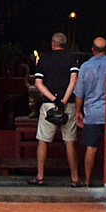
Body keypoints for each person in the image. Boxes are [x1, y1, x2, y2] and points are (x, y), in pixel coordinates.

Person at [31, 32, 80, 186]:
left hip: (48, 104)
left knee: (43, 140)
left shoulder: (44, 59)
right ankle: (75, 178)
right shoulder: (72, 59)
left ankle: (40, 176)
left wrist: (54, 99)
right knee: (70, 141)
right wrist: (64, 100)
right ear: (66, 44)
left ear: (53, 44)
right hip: (68, 104)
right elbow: (74, 80)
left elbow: (38, 83)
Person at [74, 36, 106, 186]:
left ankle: (88, 180)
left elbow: (79, 93)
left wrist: (78, 112)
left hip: (92, 112)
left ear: (92, 50)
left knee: (91, 147)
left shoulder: (84, 67)